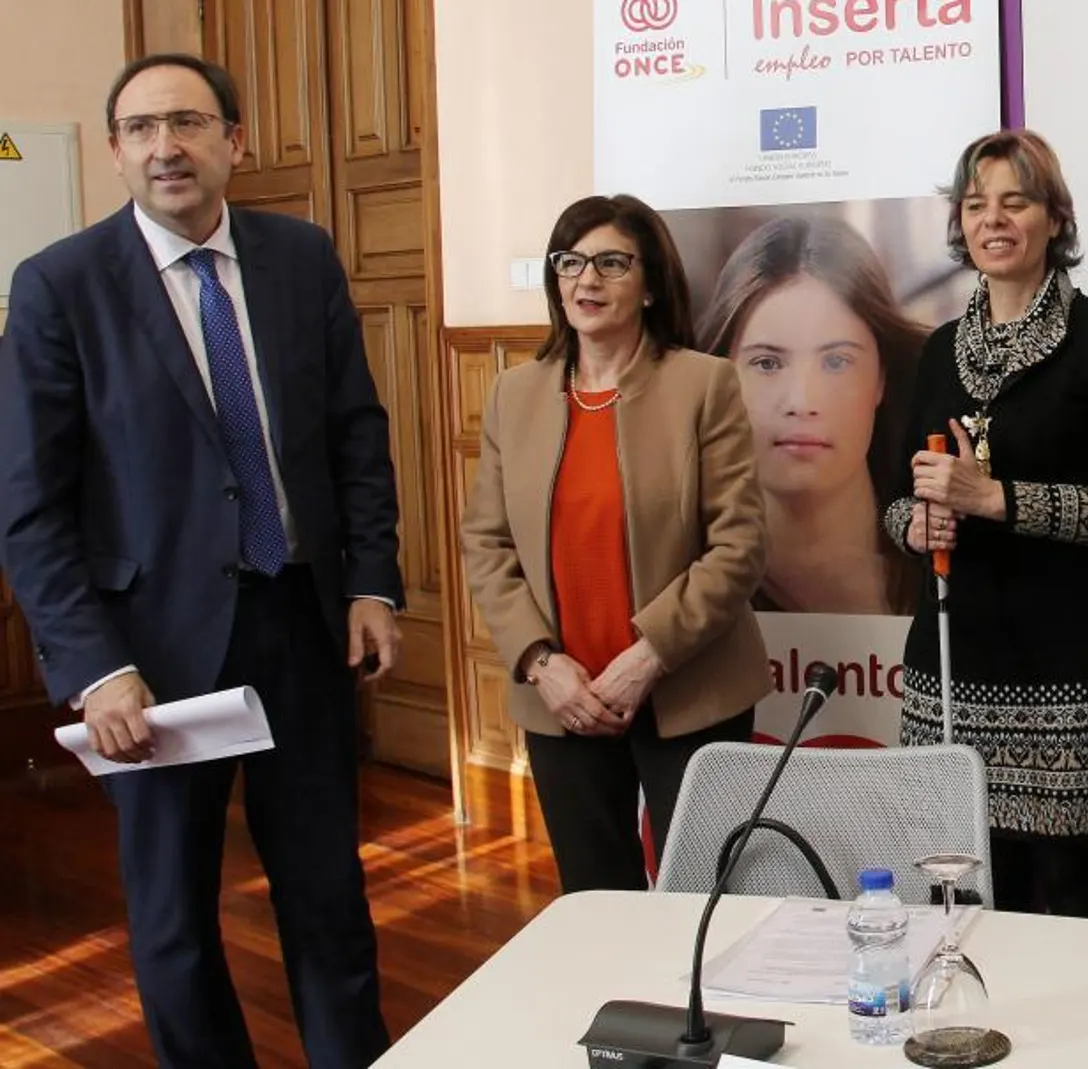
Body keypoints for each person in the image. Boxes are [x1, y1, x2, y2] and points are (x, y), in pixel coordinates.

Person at [0, 54, 403, 1068]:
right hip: (151, 657)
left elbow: (356, 433)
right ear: (115, 152)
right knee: (175, 914)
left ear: (235, 139)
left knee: (328, 895)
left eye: (186, 122)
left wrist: (369, 580)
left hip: (298, 623)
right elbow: (30, 504)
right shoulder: (59, 286)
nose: (164, 146)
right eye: (139, 129)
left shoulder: (301, 258)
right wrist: (94, 666)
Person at [461, 194, 772, 895]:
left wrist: (649, 656)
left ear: (651, 282)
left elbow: (739, 544)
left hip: (688, 688)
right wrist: (542, 664)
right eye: (570, 262)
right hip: (562, 697)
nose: (586, 280)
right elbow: (486, 542)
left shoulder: (704, 384)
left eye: (610, 262)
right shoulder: (516, 393)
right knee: (594, 896)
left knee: (707, 894)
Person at [888, 129, 1088, 920]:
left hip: (1071, 675)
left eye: (1016, 201)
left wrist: (994, 498)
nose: (993, 219)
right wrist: (919, 523)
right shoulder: (939, 349)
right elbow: (893, 498)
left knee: (1076, 898)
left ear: (1054, 218)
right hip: (953, 664)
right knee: (963, 891)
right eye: (976, 204)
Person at [699, 216, 926, 615]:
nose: (802, 402)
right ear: (721, 377)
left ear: (881, 380)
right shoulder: (678, 583)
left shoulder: (953, 569)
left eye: (837, 361)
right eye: (767, 363)